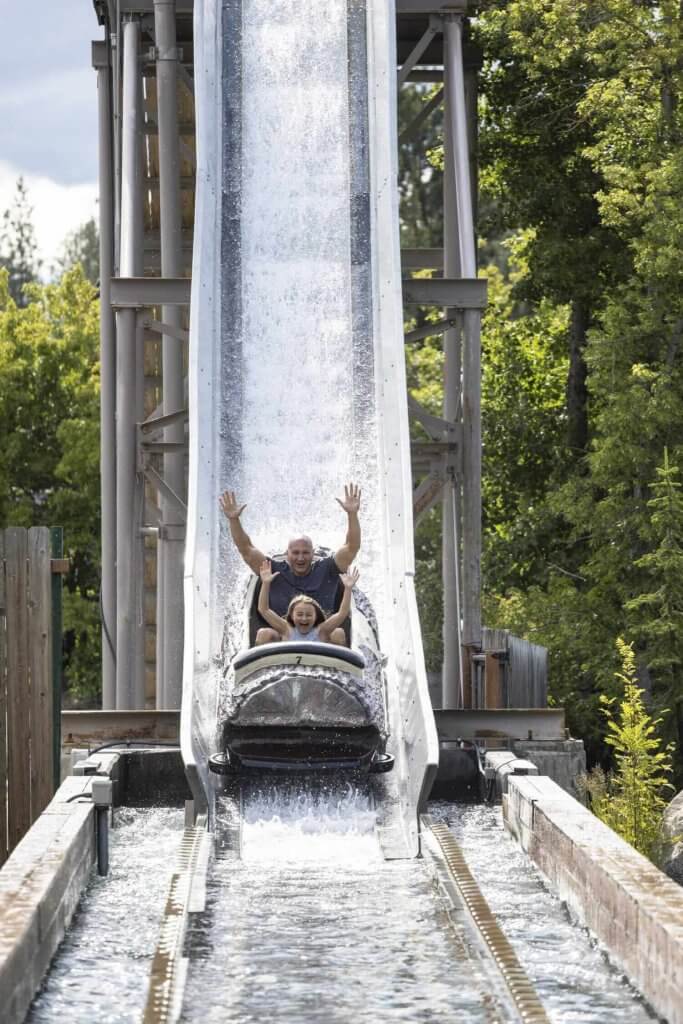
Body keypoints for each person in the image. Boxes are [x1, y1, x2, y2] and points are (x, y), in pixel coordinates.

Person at [219, 482, 361, 619]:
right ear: (287, 554)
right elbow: (246, 550)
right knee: (265, 635)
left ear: (313, 554)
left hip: (322, 635)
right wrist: (234, 520)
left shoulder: (327, 569)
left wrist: (352, 514)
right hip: (284, 636)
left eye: (305, 553)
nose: (300, 558)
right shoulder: (273, 570)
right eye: (296, 553)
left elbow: (351, 547)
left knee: (338, 634)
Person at [256, 561, 359, 645]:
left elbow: (342, 613)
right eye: (299, 614)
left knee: (338, 632)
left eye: (309, 615)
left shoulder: (322, 630)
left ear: (316, 617)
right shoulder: (286, 629)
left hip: (319, 666)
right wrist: (265, 583)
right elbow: (263, 609)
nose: (304, 618)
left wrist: (348, 588)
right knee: (263, 633)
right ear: (292, 616)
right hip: (287, 665)